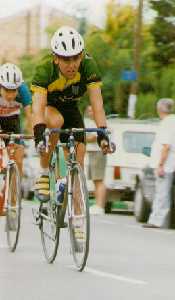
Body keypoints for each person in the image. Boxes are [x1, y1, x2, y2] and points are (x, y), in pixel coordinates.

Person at [31, 26, 111, 202]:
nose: (72, 64)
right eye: (66, 59)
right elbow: (37, 108)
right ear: (55, 59)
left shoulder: (88, 66)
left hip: (71, 107)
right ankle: (44, 172)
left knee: (79, 160)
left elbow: (97, 104)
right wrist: (39, 135)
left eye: (76, 57)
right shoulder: (45, 69)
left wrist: (103, 134)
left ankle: (77, 218)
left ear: (81, 55)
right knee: (55, 121)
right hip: (48, 107)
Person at [0, 63, 32, 216]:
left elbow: (30, 115)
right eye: (7, 90)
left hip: (13, 123)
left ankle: (13, 199)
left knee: (18, 159)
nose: (11, 95)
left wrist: (34, 132)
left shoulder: (23, 91)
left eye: (14, 91)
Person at [143, 98, 175, 229]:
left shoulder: (167, 123)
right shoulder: (171, 121)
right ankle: (157, 219)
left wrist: (161, 164)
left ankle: (157, 220)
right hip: (168, 163)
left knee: (162, 193)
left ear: (160, 109)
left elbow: (166, 146)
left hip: (166, 164)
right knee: (162, 192)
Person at [84, 105, 107, 215]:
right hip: (93, 153)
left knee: (99, 180)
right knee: (95, 180)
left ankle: (100, 206)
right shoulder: (90, 122)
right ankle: (98, 205)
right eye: (88, 111)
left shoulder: (100, 122)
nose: (89, 112)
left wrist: (82, 138)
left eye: (91, 110)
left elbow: (93, 137)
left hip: (98, 153)